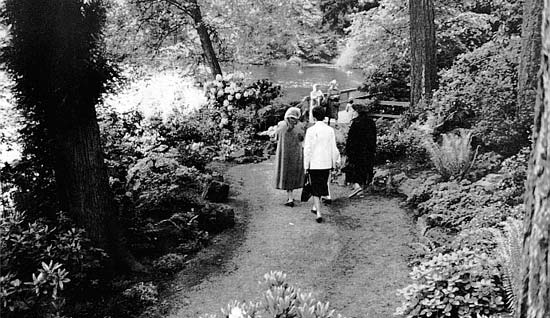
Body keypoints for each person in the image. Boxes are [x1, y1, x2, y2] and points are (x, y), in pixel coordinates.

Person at [303, 106, 341, 223]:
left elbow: (307, 150)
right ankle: (316, 207)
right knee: (322, 184)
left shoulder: (310, 131)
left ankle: (318, 211)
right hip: (326, 163)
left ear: (313, 117)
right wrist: (336, 162)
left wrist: (306, 165)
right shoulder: (329, 130)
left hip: (314, 163)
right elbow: (333, 148)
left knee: (315, 186)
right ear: (324, 116)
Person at [274, 107, 306, 206]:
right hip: (295, 154)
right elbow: (302, 138)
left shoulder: (281, 125)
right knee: (292, 173)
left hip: (284, 153)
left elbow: (276, 138)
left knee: (285, 172)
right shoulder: (300, 126)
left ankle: (290, 198)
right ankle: (291, 197)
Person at [344, 102, 377, 198]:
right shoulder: (371, 122)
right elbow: (374, 138)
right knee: (365, 169)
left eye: (353, 111)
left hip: (357, 151)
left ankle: (357, 187)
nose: (352, 112)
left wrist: (348, 151)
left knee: (354, 170)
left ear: (357, 111)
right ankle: (361, 190)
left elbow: (351, 140)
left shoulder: (356, 123)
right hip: (368, 151)